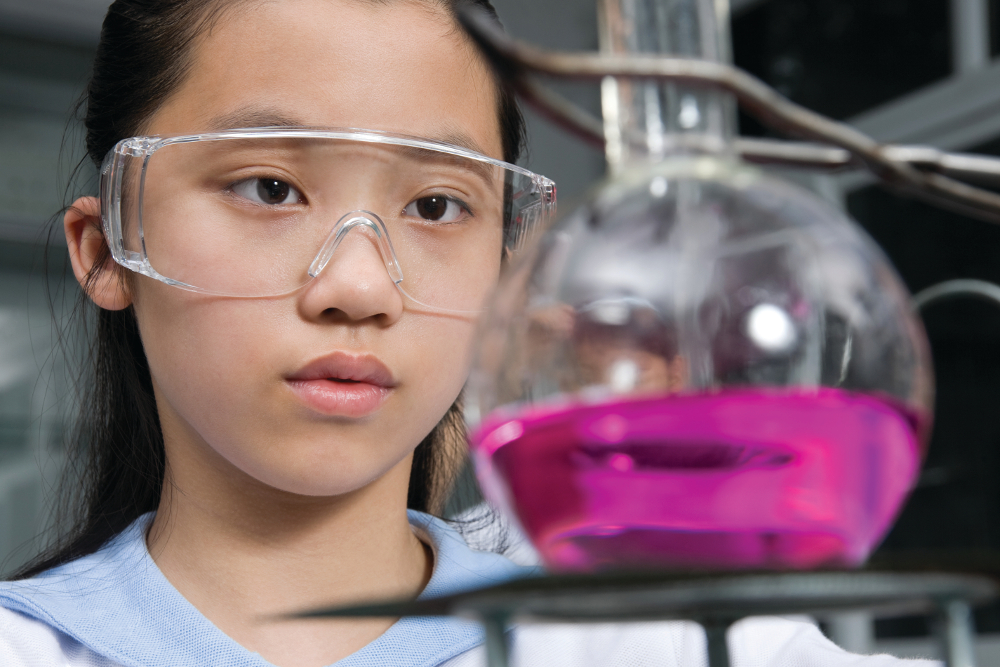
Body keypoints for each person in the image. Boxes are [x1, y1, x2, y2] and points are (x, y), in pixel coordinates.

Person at [0, 1, 938, 665]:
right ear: (107, 247)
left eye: (439, 203)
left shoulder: (654, 638)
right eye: (270, 188)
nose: (360, 288)